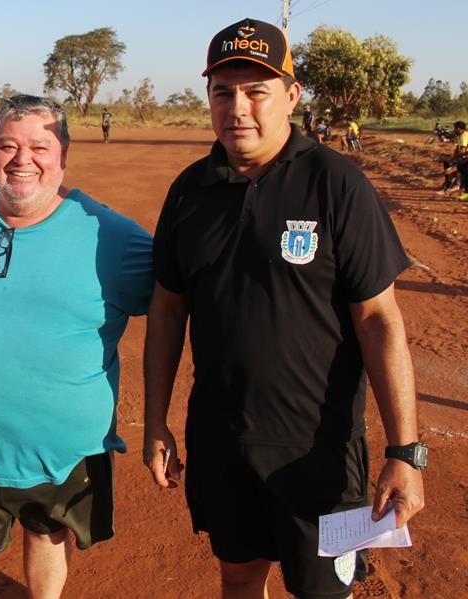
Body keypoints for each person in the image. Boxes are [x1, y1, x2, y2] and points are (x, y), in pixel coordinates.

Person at [143, 18, 425, 599]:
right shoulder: (190, 191)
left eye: (256, 91)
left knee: (324, 592)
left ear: (292, 96)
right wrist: (155, 420)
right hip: (221, 441)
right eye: (224, 92)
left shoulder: (337, 184)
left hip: (318, 451)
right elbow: (168, 310)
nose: (238, 108)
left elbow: (378, 320)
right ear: (210, 99)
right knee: (238, 577)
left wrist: (405, 451)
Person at [0, 94, 154, 599]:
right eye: (8, 145)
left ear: (63, 152)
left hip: (65, 449)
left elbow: (184, 304)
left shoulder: (113, 237)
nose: (22, 160)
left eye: (39, 146)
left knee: (49, 536)